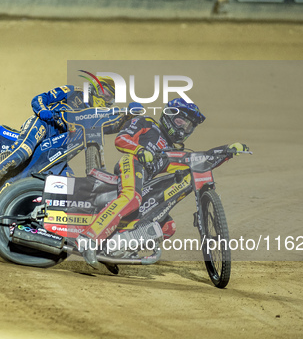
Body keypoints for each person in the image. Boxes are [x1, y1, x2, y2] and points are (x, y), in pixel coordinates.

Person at [76, 98, 248, 268]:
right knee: (131, 198)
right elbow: (121, 139)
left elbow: (197, 161)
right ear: (169, 116)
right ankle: (89, 238)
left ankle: (113, 249)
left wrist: (226, 151)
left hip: (145, 181)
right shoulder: (147, 123)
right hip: (132, 162)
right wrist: (140, 150)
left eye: (188, 126)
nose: (183, 128)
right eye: (180, 121)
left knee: (167, 226)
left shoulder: (173, 150)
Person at [0, 77, 119, 210]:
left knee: (67, 182)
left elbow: (109, 126)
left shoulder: (95, 116)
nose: (106, 99)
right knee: (23, 150)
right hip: (44, 125)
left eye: (110, 97)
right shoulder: (74, 91)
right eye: (105, 92)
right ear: (94, 87)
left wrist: (128, 117)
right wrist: (43, 111)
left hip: (59, 147)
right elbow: (40, 98)